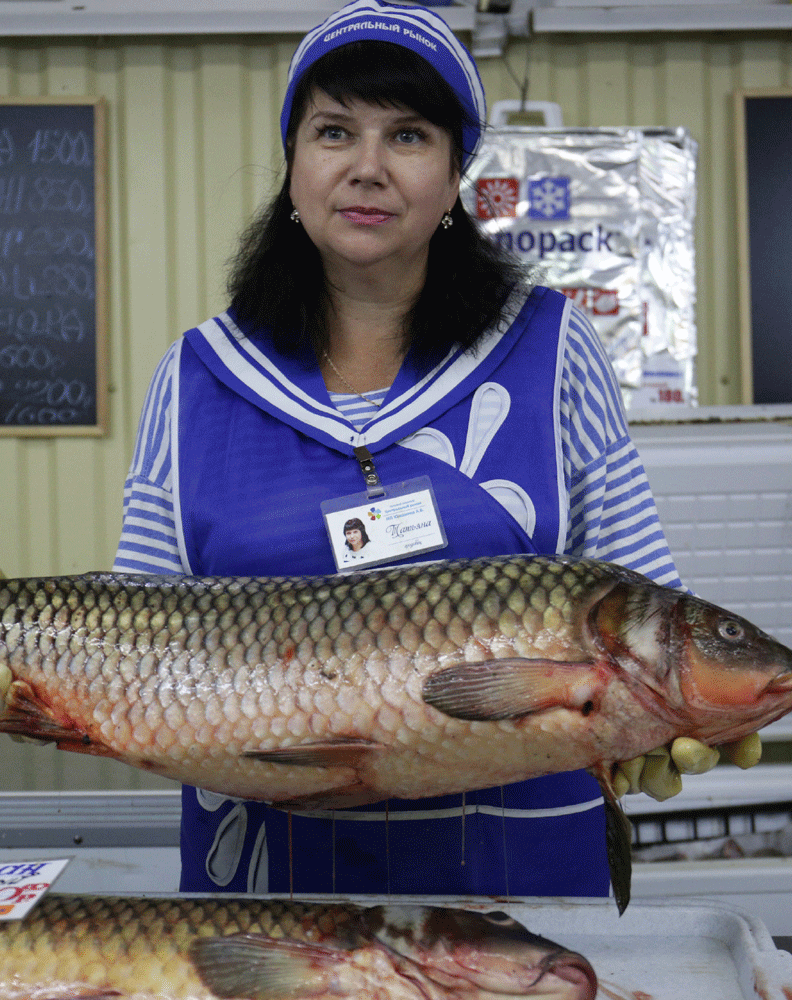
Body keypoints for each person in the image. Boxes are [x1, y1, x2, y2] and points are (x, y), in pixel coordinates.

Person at [104, 0, 712, 897]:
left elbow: (638, 601)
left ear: (458, 175)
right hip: (275, 885)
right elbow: (139, 640)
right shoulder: (198, 379)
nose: (367, 168)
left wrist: (682, 711)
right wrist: (29, 664)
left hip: (519, 882)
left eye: (410, 136)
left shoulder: (549, 351)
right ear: (293, 165)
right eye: (334, 131)